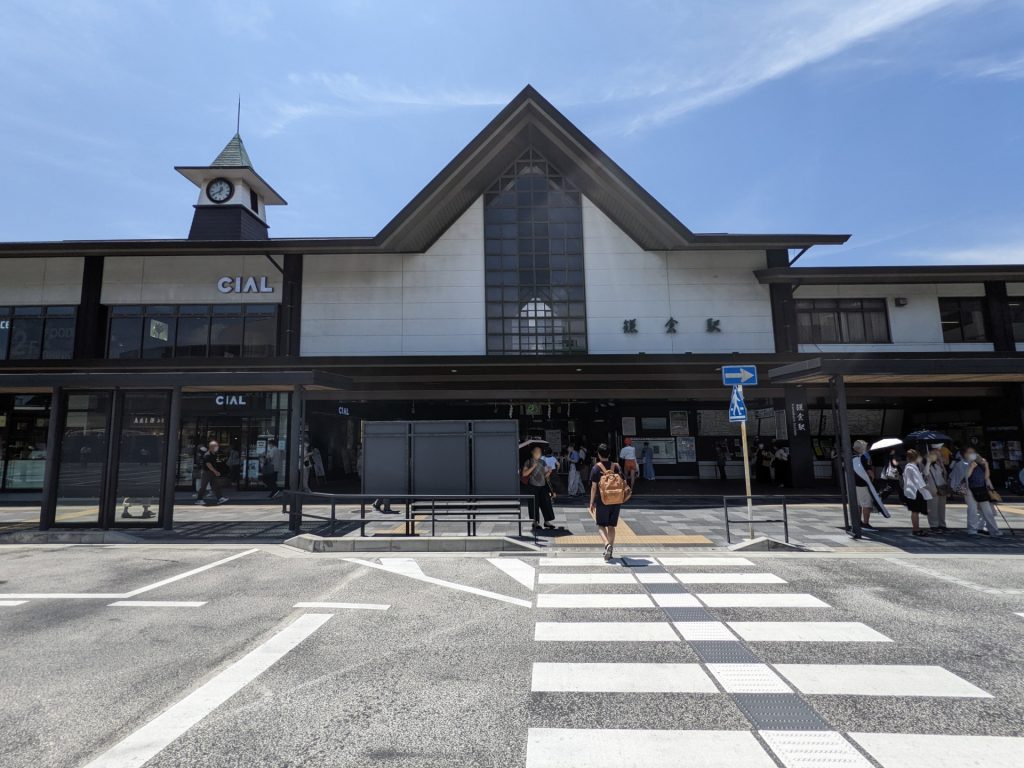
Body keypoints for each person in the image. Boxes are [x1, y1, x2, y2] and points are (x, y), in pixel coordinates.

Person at [589, 444, 625, 561]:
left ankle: (606, 545)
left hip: (603, 500)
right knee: (611, 526)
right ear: (609, 454)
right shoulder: (617, 466)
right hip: (616, 500)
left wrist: (591, 502)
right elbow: (623, 482)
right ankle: (611, 549)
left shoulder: (596, 468)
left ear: (598, 454)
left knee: (601, 525)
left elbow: (594, 487)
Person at [960, 449, 1002, 537]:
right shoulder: (962, 464)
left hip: (982, 489)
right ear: (964, 455)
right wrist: (971, 467)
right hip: (970, 490)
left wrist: (986, 465)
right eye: (969, 452)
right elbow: (965, 478)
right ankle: (972, 531)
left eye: (973, 453)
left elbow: (986, 477)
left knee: (988, 511)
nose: (972, 454)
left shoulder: (980, 464)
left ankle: (994, 531)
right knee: (972, 510)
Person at [851, 439, 889, 530]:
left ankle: (858, 521)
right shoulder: (864, 457)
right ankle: (865, 523)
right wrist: (873, 479)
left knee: (858, 504)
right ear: (862, 448)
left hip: (854, 483)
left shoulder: (851, 457)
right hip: (864, 483)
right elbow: (869, 471)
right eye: (865, 446)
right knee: (867, 504)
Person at [522, 444, 556, 530]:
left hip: (543, 485)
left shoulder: (542, 462)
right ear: (532, 452)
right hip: (533, 486)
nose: (538, 453)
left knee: (546, 503)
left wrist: (549, 472)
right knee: (534, 504)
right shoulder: (528, 461)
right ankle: (535, 522)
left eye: (540, 452)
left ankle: (547, 521)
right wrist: (533, 466)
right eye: (536, 451)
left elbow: (545, 475)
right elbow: (524, 473)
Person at [902, 449, 932, 537]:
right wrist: (925, 486)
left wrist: (928, 463)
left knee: (915, 511)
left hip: (911, 491)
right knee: (915, 511)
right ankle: (916, 529)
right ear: (916, 457)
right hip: (914, 492)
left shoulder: (910, 466)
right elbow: (917, 480)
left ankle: (916, 528)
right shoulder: (911, 467)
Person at [197, 440, 229, 505]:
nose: (217, 447)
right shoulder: (207, 455)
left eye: (217, 446)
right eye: (216, 446)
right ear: (211, 447)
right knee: (203, 486)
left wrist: (215, 471)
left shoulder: (214, 454)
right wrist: (215, 471)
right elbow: (208, 464)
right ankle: (199, 499)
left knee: (216, 485)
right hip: (206, 472)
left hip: (212, 472)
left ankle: (220, 498)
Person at [924, 449, 949, 532]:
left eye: (939, 455)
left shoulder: (938, 465)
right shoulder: (927, 465)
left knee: (941, 508)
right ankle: (934, 525)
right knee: (933, 507)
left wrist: (942, 464)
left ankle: (942, 524)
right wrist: (928, 462)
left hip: (941, 488)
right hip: (933, 489)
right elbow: (926, 473)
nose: (938, 457)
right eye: (936, 455)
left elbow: (945, 474)